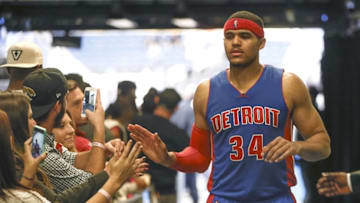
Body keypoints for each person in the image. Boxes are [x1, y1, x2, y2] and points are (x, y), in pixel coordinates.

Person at [128, 10, 331, 203]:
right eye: (229, 36)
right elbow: (200, 156)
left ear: (262, 43)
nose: (235, 42)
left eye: (245, 36)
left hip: (275, 197)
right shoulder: (206, 91)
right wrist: (169, 158)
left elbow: (322, 145)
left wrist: (297, 147)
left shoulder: (287, 84)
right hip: (224, 197)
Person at [0, 92, 147, 203]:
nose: (70, 130)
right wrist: (112, 173)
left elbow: (71, 159)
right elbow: (69, 195)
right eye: (31, 118)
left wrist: (105, 154)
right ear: (58, 106)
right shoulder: (26, 158)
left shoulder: (31, 154)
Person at [131, 88, 189, 203]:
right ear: (176, 108)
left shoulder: (137, 124)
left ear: (157, 100)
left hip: (137, 189)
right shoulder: (178, 133)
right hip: (166, 191)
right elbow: (188, 157)